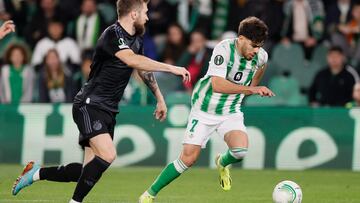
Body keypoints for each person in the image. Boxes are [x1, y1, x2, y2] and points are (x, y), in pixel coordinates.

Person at [11, 1, 190, 203]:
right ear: (133, 14)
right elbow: (132, 61)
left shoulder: (136, 40)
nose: (147, 17)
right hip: (89, 104)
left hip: (107, 109)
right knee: (108, 154)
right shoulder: (112, 34)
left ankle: (36, 173)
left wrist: (159, 98)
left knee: (87, 172)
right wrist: (172, 68)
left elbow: (142, 68)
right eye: (145, 13)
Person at [139, 16, 274, 203]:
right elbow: (218, 84)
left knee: (240, 151)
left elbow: (257, 76)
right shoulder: (223, 49)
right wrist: (251, 89)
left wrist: (251, 89)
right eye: (253, 45)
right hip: (204, 109)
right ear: (241, 39)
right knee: (188, 159)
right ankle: (149, 194)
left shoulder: (261, 57)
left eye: (260, 46)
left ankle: (222, 162)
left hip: (230, 110)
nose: (257, 50)